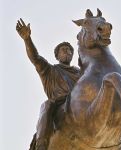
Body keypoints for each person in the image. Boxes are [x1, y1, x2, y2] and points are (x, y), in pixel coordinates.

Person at [16, 18, 81, 150]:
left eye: (70, 50)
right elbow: (36, 58)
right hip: (58, 105)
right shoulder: (50, 70)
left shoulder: (81, 73)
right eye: (64, 49)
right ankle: (41, 144)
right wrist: (27, 39)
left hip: (81, 104)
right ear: (57, 56)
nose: (68, 51)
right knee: (47, 104)